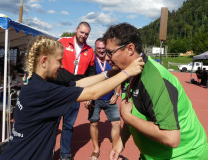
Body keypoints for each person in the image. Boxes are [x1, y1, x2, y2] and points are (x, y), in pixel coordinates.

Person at [0, 35, 144, 160]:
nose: (61, 66)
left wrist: (109, 73)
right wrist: (127, 73)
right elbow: (92, 93)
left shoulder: (38, 81)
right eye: (59, 60)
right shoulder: (43, 90)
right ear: (44, 61)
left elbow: (78, 83)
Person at [101, 23, 208, 160]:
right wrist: (121, 141)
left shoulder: (154, 79)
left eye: (110, 52)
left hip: (186, 156)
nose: (106, 57)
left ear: (130, 48)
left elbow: (171, 138)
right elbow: (135, 112)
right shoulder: (130, 72)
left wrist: (127, 117)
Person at [56, 21, 95, 160]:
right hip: (59, 88)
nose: (83, 35)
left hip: (75, 91)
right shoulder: (62, 42)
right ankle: (46, 152)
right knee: (52, 123)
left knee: (68, 125)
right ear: (76, 30)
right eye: (82, 32)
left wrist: (89, 93)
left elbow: (91, 74)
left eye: (86, 34)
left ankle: (65, 154)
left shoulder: (90, 51)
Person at [84, 38, 121, 160]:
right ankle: (96, 150)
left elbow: (118, 76)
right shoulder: (92, 60)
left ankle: (115, 150)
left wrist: (117, 94)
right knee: (94, 123)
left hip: (110, 98)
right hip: (95, 98)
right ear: (95, 48)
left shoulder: (111, 60)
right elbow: (87, 78)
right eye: (98, 48)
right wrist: (87, 95)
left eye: (103, 48)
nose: (101, 51)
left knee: (116, 123)